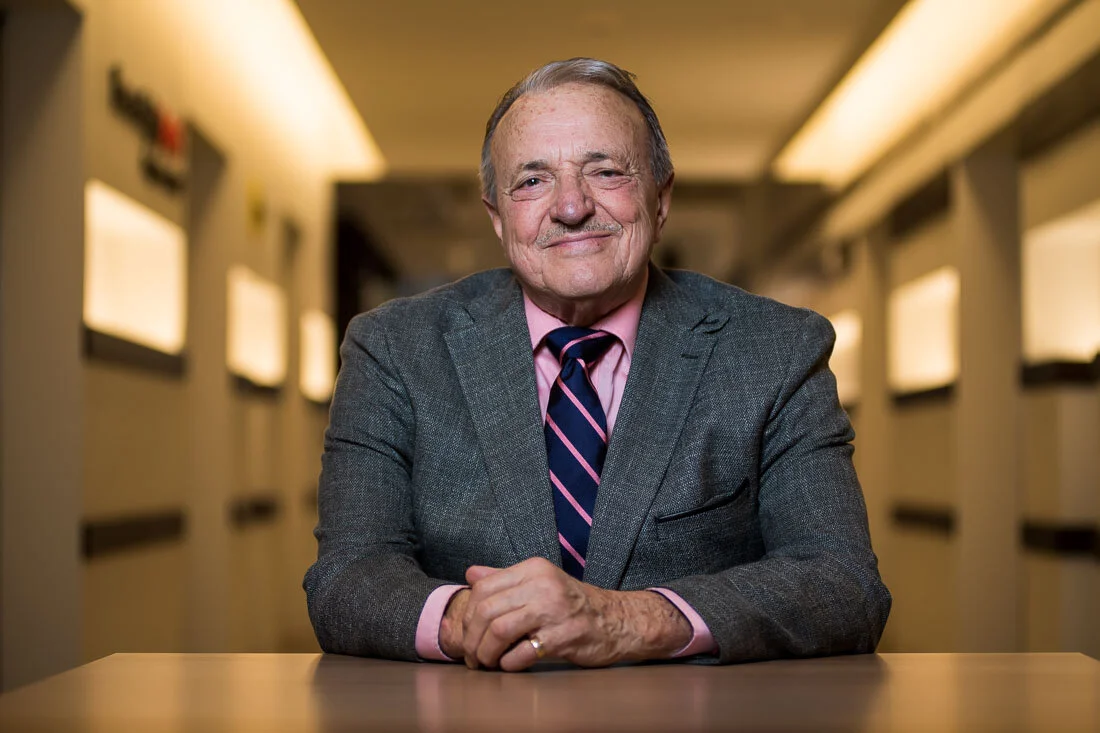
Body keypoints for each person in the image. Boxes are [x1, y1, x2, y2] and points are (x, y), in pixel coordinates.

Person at [304, 58, 890, 671]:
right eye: (532, 181)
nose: (571, 206)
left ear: (661, 199)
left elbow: (842, 583)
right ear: (498, 218)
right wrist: (469, 619)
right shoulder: (393, 349)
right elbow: (347, 578)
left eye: (606, 172)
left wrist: (623, 620)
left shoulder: (775, 350)